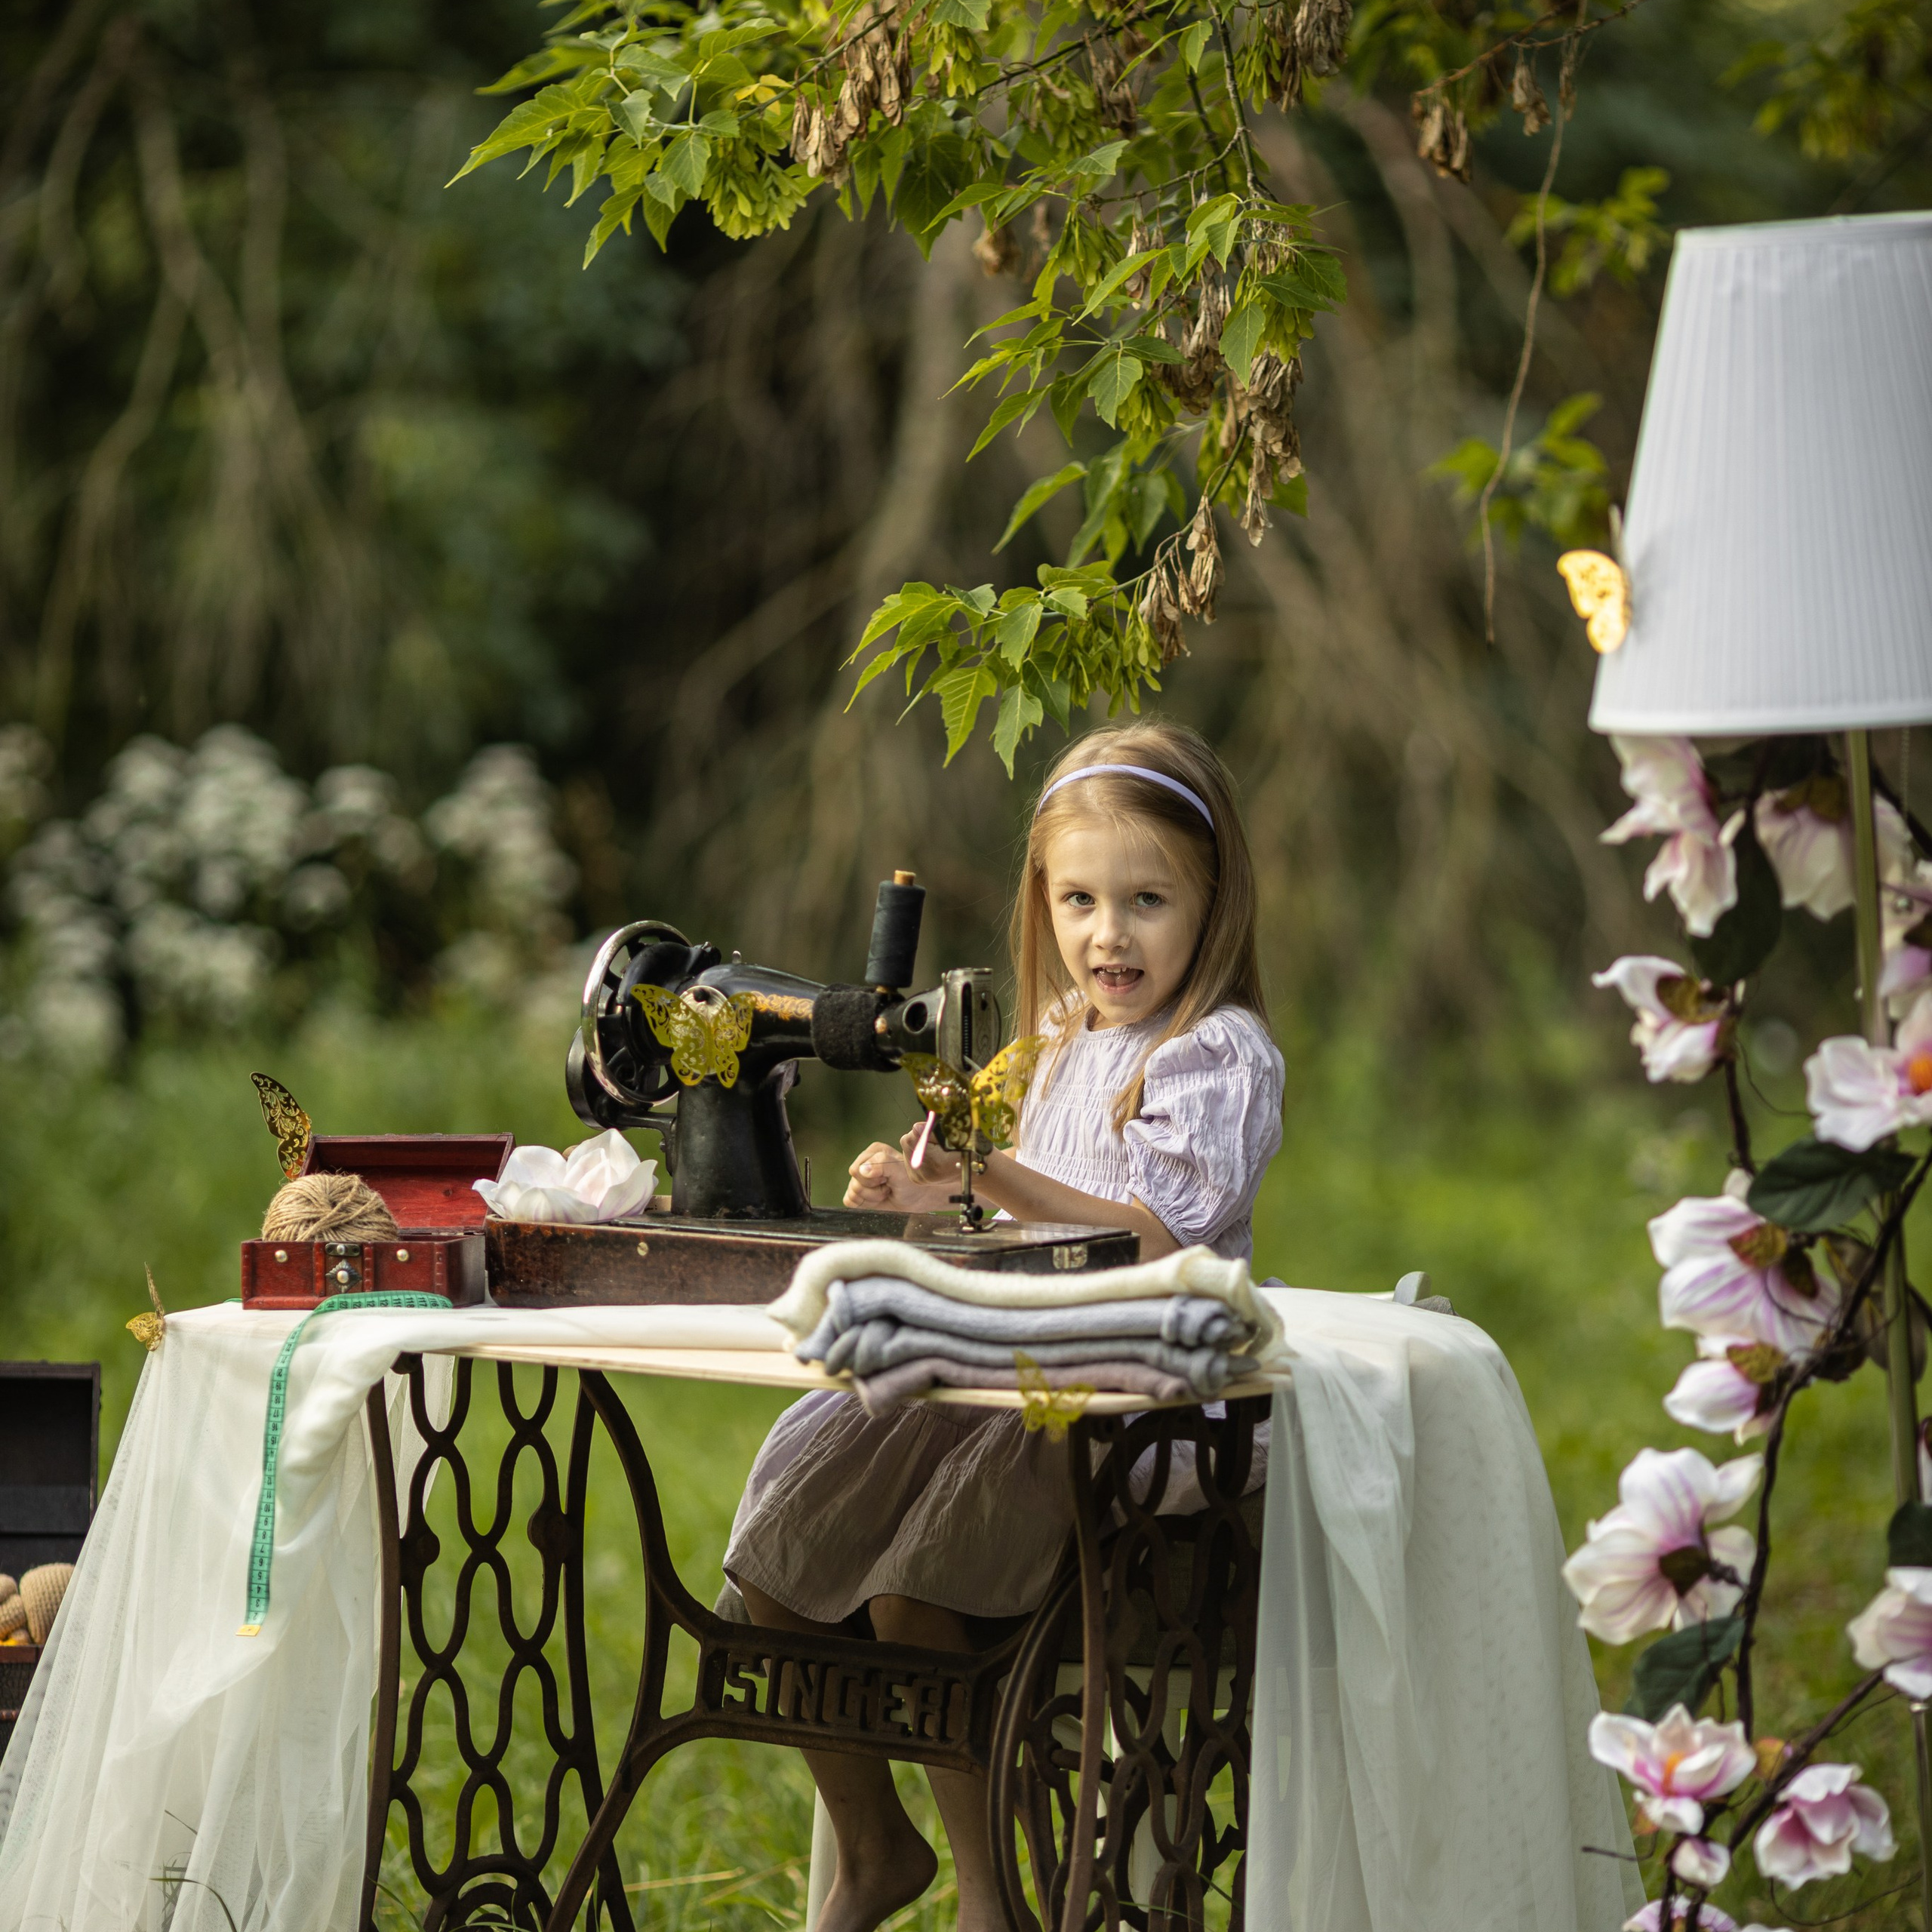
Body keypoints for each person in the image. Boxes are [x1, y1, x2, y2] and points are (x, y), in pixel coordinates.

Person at [721, 719, 1285, 1932]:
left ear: (1212, 902)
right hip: (1018, 1372)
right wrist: (932, 1193)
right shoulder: (1062, 1044)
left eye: (1145, 900)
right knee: (783, 1536)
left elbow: (1152, 1235)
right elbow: (1015, 1220)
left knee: (920, 1592)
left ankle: (990, 1900)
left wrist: (1002, 1179)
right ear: (1043, 902)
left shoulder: (1217, 1056)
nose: (1108, 934)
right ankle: (876, 1850)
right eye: (1079, 899)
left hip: (1140, 1403)